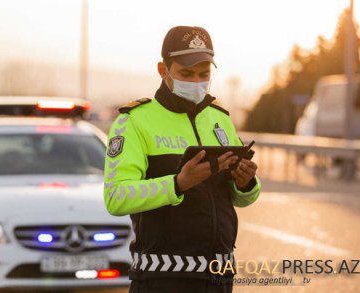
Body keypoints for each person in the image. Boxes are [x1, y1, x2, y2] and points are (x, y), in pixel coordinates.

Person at [103, 26, 261, 293]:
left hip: (218, 277)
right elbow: (116, 197)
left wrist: (245, 183)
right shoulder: (133, 121)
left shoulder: (219, 118)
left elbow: (240, 199)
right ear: (163, 70)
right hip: (162, 279)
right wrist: (177, 184)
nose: (197, 81)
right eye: (186, 73)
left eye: (204, 74)